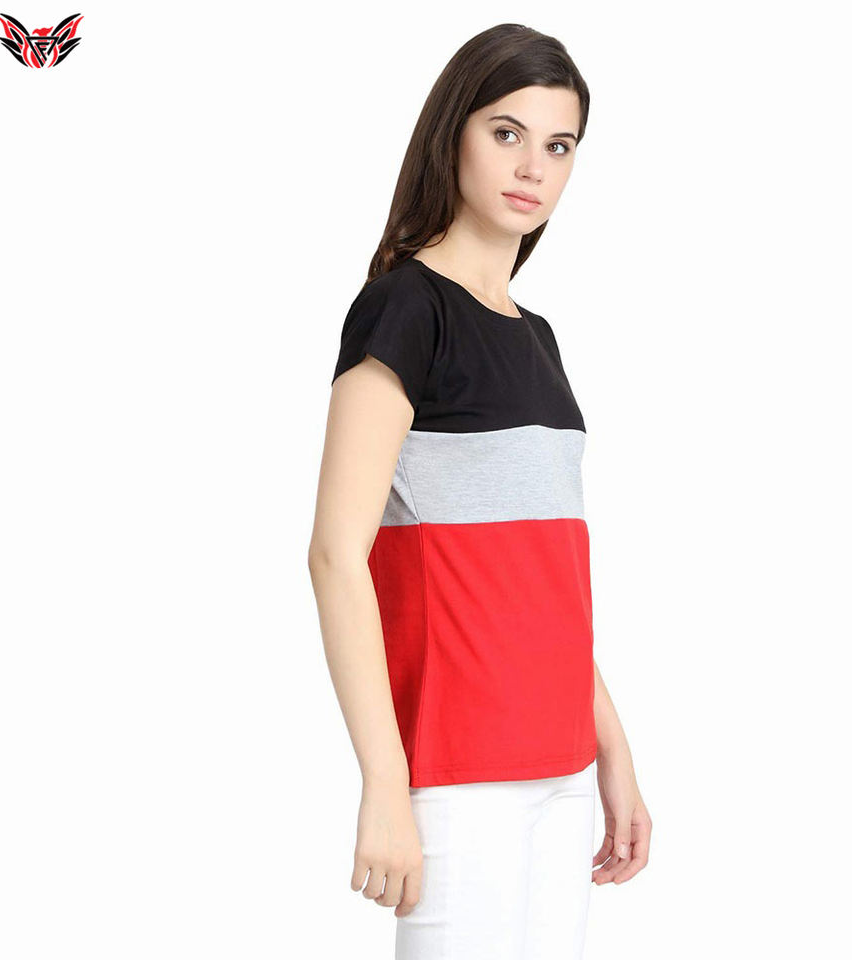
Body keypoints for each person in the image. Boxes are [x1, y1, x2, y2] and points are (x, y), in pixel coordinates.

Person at [308, 23, 652, 960]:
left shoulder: (538, 338)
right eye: (507, 133)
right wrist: (386, 781)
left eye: (559, 145)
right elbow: (336, 555)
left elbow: (541, 582)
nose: (533, 166)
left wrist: (613, 749)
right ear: (452, 132)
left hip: (562, 770)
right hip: (460, 775)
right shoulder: (404, 309)